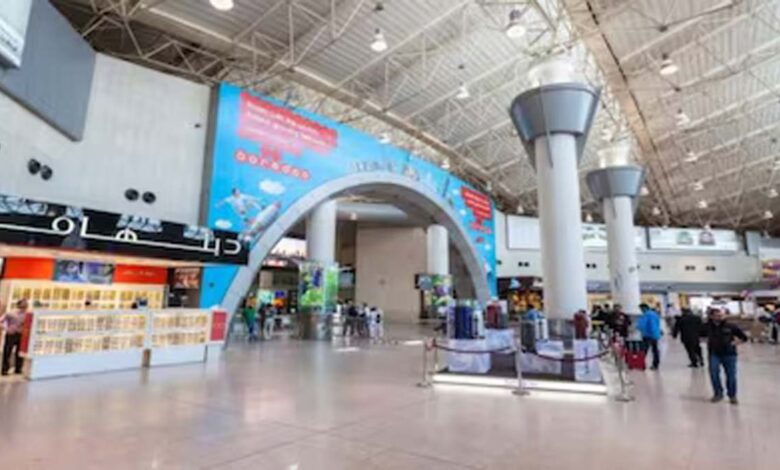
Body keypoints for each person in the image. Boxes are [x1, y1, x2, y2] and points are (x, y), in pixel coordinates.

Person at [703, 307, 747, 404]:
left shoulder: (730, 326)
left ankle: (732, 395)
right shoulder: (707, 326)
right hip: (714, 354)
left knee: (731, 376)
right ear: (711, 316)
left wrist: (735, 343)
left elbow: (744, 338)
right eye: (716, 315)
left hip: (729, 354)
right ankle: (718, 394)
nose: (719, 317)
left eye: (720, 315)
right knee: (714, 374)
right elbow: (700, 335)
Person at [1, 299, 30, 375]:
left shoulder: (27, 314)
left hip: (22, 335)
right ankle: (5, 369)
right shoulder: (11, 313)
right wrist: (6, 329)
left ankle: (18, 369)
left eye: (26, 304)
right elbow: (1, 321)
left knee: (20, 352)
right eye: (24, 304)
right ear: (19, 304)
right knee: (7, 351)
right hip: (11, 334)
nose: (26, 305)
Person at [637, 303, 662, 370]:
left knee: (644, 350)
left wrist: (638, 327)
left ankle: (641, 363)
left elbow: (641, 325)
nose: (641, 310)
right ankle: (655, 364)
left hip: (648, 335)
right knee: (655, 350)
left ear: (644, 308)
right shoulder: (654, 314)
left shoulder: (646, 315)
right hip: (655, 334)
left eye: (641, 309)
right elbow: (657, 324)